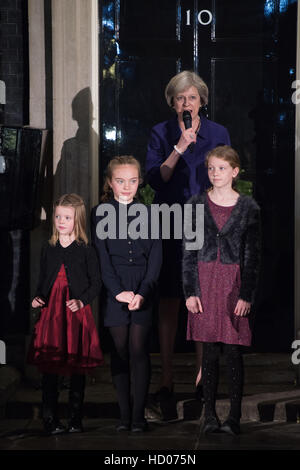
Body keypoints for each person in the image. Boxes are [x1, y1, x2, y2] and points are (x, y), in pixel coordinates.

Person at [145, 70, 231, 401]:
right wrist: (179, 147)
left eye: (192, 97)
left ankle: (202, 376)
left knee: (202, 302)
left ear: (202, 102)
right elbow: (157, 179)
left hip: (206, 225)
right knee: (169, 302)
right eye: (180, 98)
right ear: (172, 103)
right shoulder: (161, 132)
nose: (186, 103)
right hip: (170, 223)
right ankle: (166, 377)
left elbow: (225, 180)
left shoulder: (218, 133)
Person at [182, 145, 261, 435]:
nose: (216, 173)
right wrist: (190, 291)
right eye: (211, 168)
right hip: (204, 282)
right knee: (209, 352)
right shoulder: (195, 205)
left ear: (235, 172)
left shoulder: (248, 208)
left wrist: (246, 295)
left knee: (232, 351)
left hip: (233, 284)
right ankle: (210, 415)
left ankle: (234, 417)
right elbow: (188, 252)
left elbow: (253, 255)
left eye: (222, 168)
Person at [92, 156, 162, 433]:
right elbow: (101, 256)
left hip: (143, 287)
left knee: (138, 349)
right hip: (115, 288)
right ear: (110, 182)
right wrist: (118, 291)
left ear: (139, 182)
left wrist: (143, 292)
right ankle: (123, 416)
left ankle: (138, 417)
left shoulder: (151, 214)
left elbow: (156, 258)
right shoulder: (100, 213)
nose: (126, 186)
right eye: (120, 181)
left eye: (132, 181)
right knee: (120, 351)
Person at [28, 193, 103, 435]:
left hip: (75, 314)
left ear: (77, 220)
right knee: (50, 367)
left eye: (67, 217)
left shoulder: (86, 250)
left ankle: (75, 419)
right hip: (52, 314)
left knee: (76, 366)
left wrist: (82, 302)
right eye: (58, 216)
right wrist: (38, 297)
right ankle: (49, 419)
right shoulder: (48, 248)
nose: (61, 221)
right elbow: (43, 281)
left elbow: (96, 283)